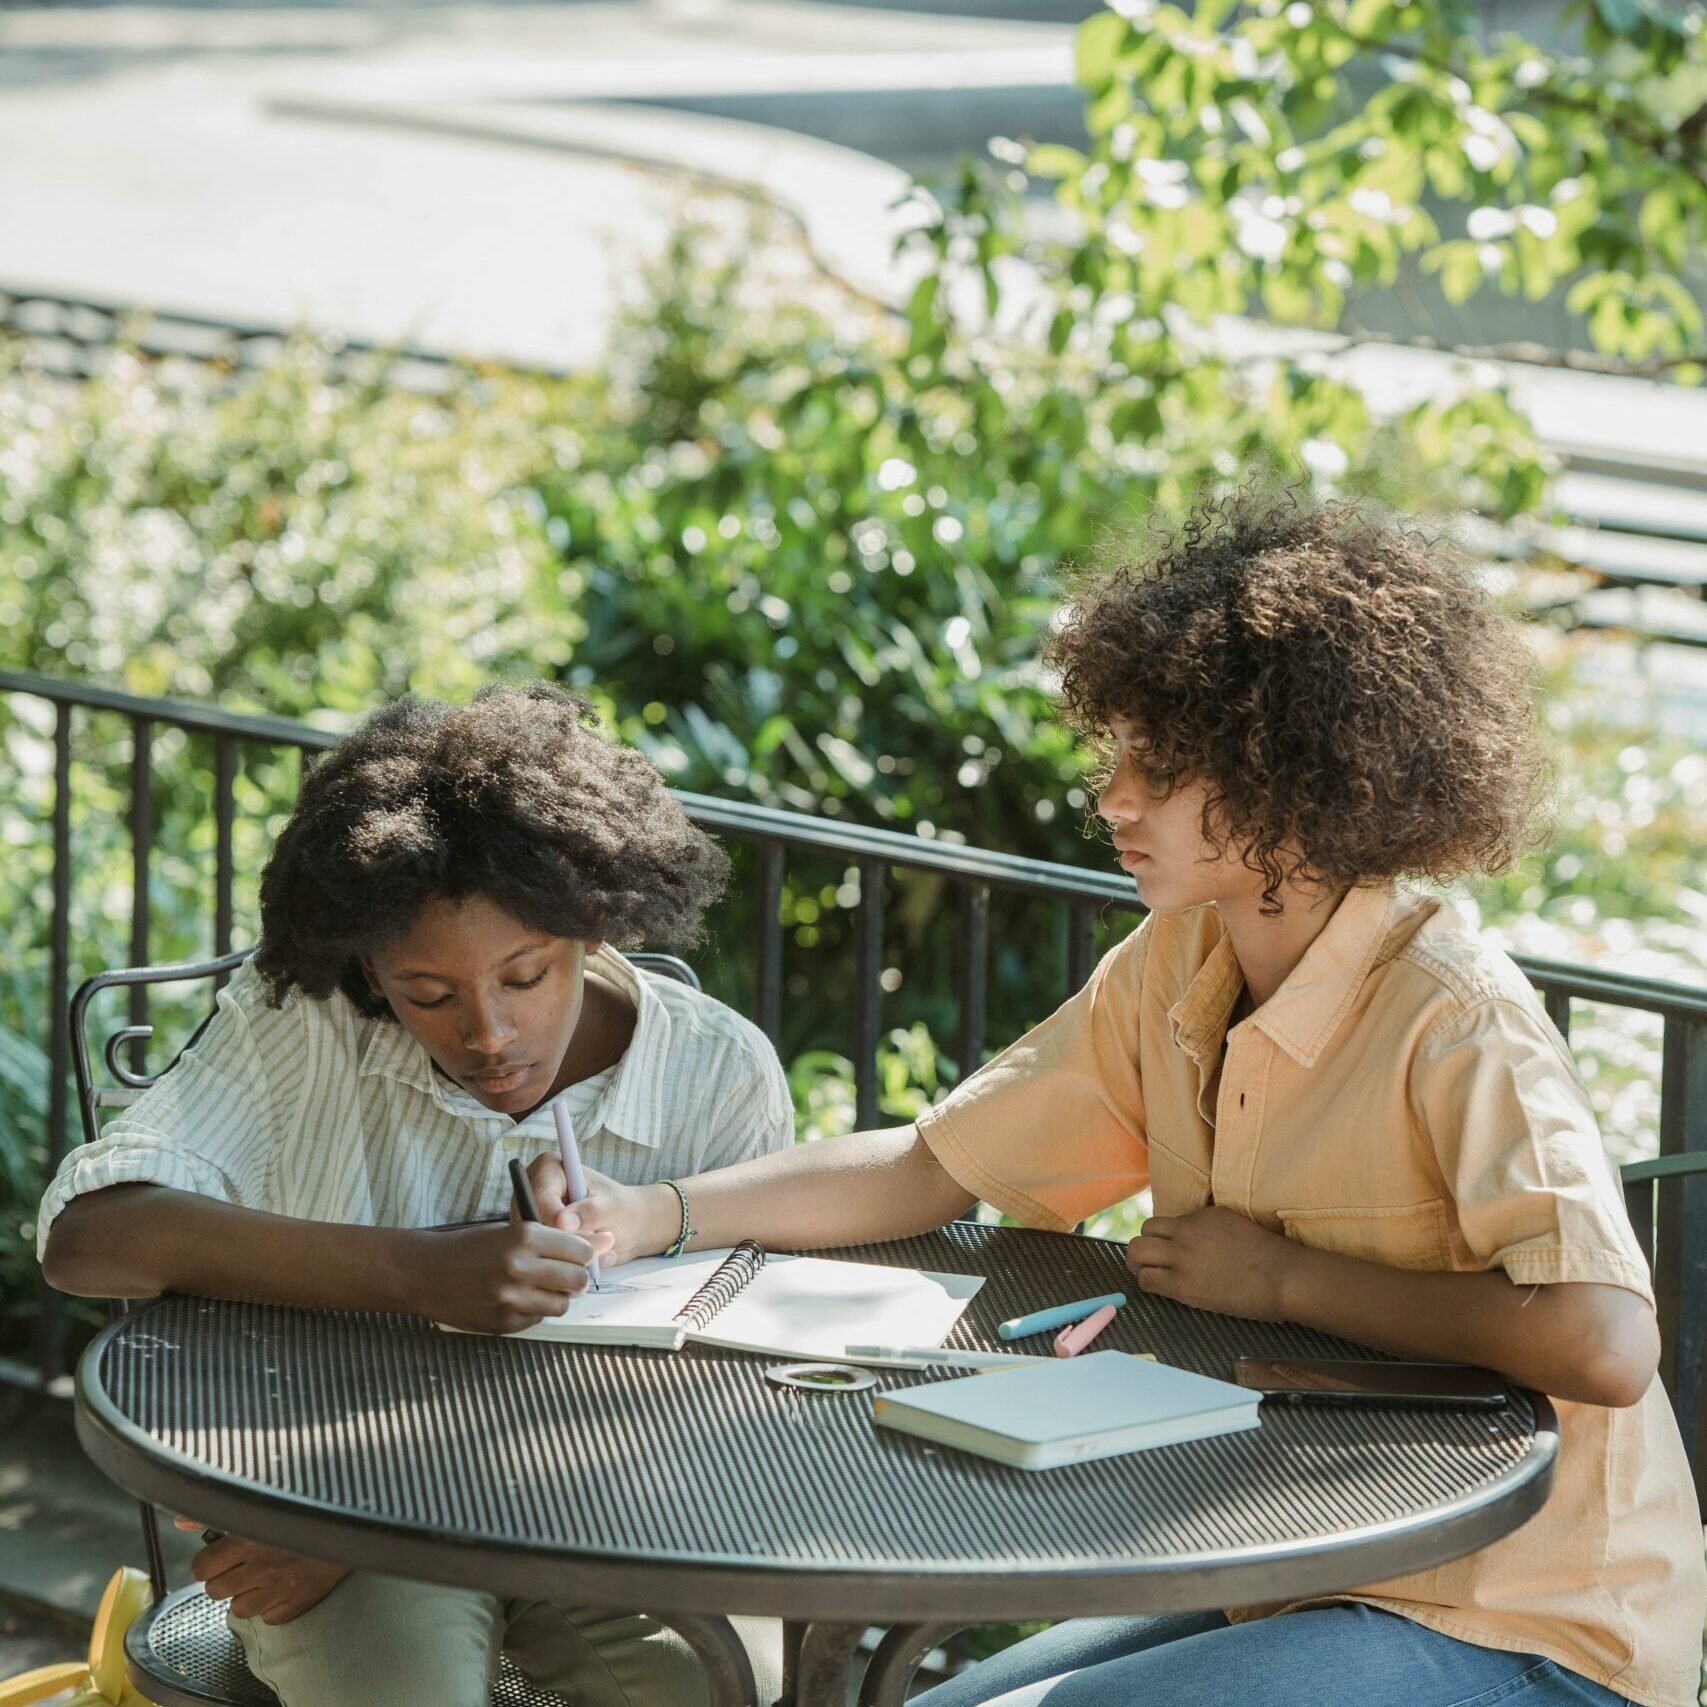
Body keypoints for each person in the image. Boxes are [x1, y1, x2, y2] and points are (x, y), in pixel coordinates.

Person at [569, 496, 1706, 1707]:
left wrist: (1279, 1279)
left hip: (1534, 1632)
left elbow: (1603, 1341)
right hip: (1306, 1573)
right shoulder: (1177, 965)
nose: (1112, 798)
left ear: (1291, 778)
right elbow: (928, 1168)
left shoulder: (1455, 1018)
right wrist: (648, 1214)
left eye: (1157, 767)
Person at [39, 683, 793, 1707]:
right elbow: (89, 1238)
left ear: (593, 926)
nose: (487, 1035)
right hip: (327, 1521)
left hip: (602, 1515)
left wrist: (388, 1509)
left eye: (526, 976)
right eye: (427, 995)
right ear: (366, 969)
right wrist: (417, 1274)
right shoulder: (305, 1025)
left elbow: (724, 1402)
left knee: (725, 1685)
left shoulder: (718, 1073)